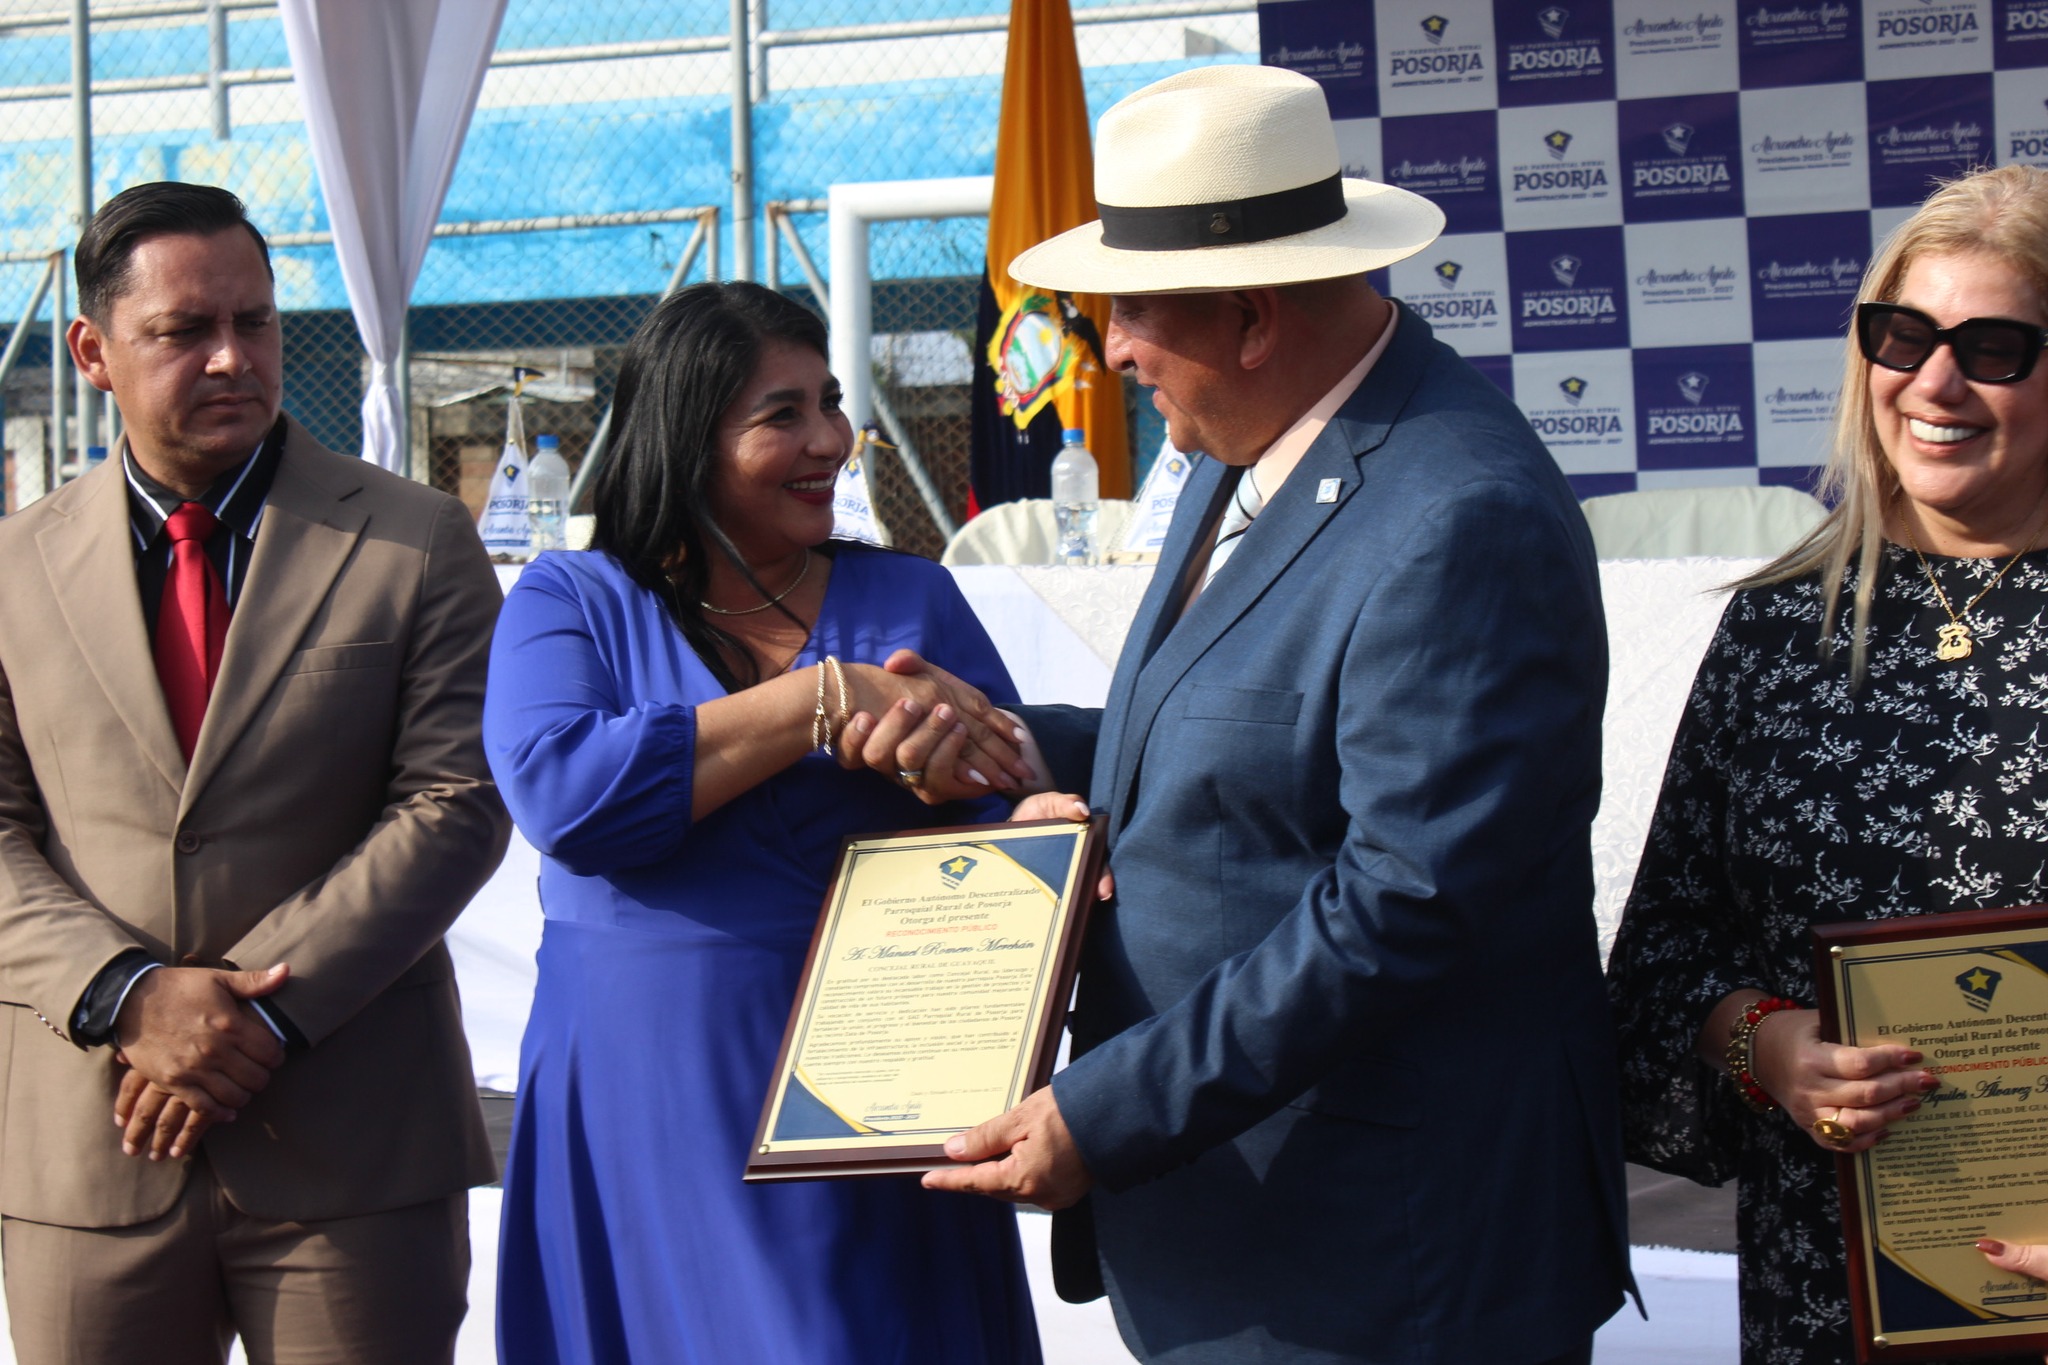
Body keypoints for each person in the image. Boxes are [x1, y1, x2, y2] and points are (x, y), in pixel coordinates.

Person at [845, 66, 1633, 1364]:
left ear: (1254, 318)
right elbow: (1241, 736)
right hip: (1254, 1248)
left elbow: (1405, 900)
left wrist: (1108, 1110)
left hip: (1382, 1270)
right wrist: (1011, 744)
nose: (1112, 351)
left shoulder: (1460, 512)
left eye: (1131, 310)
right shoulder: (1256, 441)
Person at [483, 280, 1044, 1365]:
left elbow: (1006, 809)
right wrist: (819, 701)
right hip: (647, 1096)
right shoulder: (570, 599)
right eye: (781, 415)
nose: (828, 440)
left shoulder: (910, 601)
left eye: (828, 403)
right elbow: (566, 797)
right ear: (684, 438)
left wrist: (972, 788)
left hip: (871, 1093)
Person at [0, 181, 509, 1364]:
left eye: (257, 322)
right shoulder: (16, 567)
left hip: (353, 1151)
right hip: (92, 1147)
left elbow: (455, 802)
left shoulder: (414, 539)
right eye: (184, 330)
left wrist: (260, 1015)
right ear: (93, 352)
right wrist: (128, 995)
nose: (233, 357)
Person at [1606, 162, 2048, 1365]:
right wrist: (1765, 1048)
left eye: (1993, 348)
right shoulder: (1777, 628)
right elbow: (1662, 955)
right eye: (1901, 336)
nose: (1934, 382)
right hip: (1828, 1288)